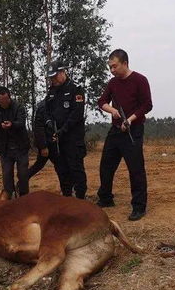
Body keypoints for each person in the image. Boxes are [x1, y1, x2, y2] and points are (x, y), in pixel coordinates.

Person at [96, 49, 152, 221]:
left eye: (115, 66)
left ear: (125, 63)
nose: (112, 70)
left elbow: (147, 105)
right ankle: (105, 199)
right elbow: (101, 102)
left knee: (136, 169)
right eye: (110, 67)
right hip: (115, 130)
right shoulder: (113, 83)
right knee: (106, 165)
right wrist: (112, 110)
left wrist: (130, 120)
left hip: (132, 131)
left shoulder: (140, 80)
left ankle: (139, 206)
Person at [45, 60, 87, 199]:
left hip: (72, 138)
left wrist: (63, 130)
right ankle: (67, 197)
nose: (53, 80)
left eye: (55, 76)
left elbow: (77, 114)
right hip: (58, 139)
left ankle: (80, 198)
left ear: (63, 72)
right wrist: (50, 123)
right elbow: (47, 111)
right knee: (61, 169)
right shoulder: (51, 92)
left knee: (76, 169)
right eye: (51, 77)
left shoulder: (76, 89)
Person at [0, 87, 30, 199]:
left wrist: (12, 124)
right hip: (5, 149)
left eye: (6, 99)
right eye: (1, 100)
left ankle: (24, 196)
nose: (4, 102)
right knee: (6, 175)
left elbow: (21, 123)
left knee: (23, 174)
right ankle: (8, 196)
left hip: (21, 147)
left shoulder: (19, 107)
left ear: (9, 97)